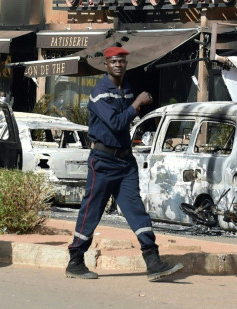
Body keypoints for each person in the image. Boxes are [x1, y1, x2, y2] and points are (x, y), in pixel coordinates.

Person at [65, 46, 183, 281]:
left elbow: (129, 119)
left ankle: (152, 260)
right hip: (103, 161)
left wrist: (135, 105)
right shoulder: (100, 92)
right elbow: (116, 123)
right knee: (92, 210)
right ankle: (75, 260)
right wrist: (137, 103)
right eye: (114, 61)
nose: (119, 65)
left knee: (136, 210)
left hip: (125, 161)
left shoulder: (126, 89)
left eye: (122, 61)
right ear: (106, 64)